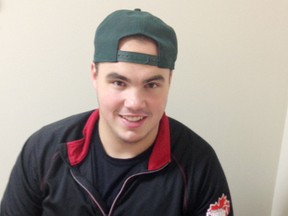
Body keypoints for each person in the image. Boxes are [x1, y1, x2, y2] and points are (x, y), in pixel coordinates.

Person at [1, 9, 233, 216]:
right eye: (119, 83)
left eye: (151, 85)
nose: (134, 103)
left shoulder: (199, 164)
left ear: (169, 81)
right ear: (94, 75)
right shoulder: (43, 151)